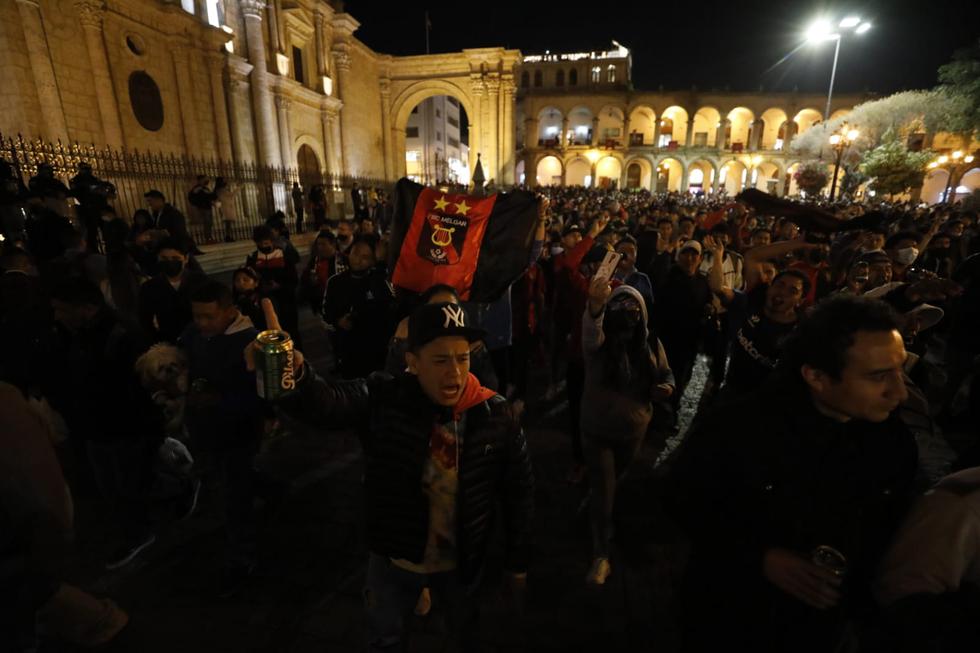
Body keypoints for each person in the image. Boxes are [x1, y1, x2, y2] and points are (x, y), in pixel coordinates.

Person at [254, 300, 533, 652]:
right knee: (386, 638)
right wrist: (292, 371)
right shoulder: (386, 395)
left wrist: (517, 563)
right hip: (393, 558)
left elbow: (519, 493)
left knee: (464, 634)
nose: (455, 373)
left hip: (461, 563)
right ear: (413, 363)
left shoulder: (495, 414)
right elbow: (328, 403)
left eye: (462, 359)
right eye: (440, 360)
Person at [671, 295, 918, 653]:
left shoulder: (893, 445)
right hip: (731, 617)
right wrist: (759, 557)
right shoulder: (738, 430)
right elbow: (684, 502)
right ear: (816, 376)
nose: (899, 392)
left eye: (900, 370)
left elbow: (886, 531)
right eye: (878, 376)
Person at [46, 277, 161, 570]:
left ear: (85, 308)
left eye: (61, 309)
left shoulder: (121, 335)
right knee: (112, 485)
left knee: (127, 485)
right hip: (97, 427)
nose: (57, 316)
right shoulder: (76, 333)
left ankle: (140, 532)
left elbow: (140, 388)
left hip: (122, 428)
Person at [581, 280, 673, 585]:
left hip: (633, 430)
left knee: (611, 482)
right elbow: (592, 327)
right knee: (606, 489)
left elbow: (666, 372)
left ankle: (595, 508)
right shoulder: (598, 344)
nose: (626, 313)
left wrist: (667, 387)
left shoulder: (650, 344)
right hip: (597, 429)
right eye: (619, 305)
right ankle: (600, 554)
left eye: (633, 308)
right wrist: (595, 305)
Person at [179, 280, 265, 596]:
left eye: (208, 317)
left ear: (230, 312)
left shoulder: (249, 342)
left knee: (235, 496)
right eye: (196, 316)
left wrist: (219, 401)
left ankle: (243, 557)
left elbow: (260, 395)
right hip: (204, 428)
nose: (201, 324)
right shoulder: (194, 334)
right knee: (228, 481)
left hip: (237, 432)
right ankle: (265, 487)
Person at [322, 236, 394, 378]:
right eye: (355, 253)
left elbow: (387, 304)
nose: (357, 259)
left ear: (374, 260)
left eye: (365, 257)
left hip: (376, 351)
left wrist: (380, 266)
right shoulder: (335, 282)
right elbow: (326, 311)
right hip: (347, 350)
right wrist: (338, 321)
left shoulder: (379, 281)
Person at [138, 238, 207, 344]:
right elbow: (145, 322)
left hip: (199, 341)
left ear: (186, 258)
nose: (170, 262)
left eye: (175, 258)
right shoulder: (149, 287)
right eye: (164, 258)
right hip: (167, 343)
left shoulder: (201, 282)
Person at [245, 225, 301, 348]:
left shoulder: (284, 256)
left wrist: (279, 286)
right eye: (260, 243)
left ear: (272, 241)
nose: (264, 246)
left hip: (285, 301)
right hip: (264, 303)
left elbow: (293, 279)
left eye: (266, 242)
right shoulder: (253, 258)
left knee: (290, 332)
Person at [300, 230, 347, 317]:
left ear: (333, 244)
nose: (320, 247)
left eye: (323, 244)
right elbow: (304, 279)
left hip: (339, 302)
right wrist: (310, 281)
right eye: (318, 244)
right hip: (321, 302)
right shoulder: (314, 261)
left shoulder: (343, 260)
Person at [145, 189, 197, 255]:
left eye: (150, 201)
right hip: (164, 247)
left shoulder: (173, 213)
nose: (149, 204)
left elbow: (179, 233)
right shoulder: (156, 214)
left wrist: (163, 234)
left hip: (176, 248)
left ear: (159, 200)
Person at [187, 175, 216, 244]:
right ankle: (208, 238)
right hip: (203, 208)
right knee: (207, 223)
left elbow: (209, 196)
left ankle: (210, 237)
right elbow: (195, 196)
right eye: (205, 179)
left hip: (208, 207)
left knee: (210, 223)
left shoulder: (205, 188)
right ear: (200, 180)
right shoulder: (198, 188)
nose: (207, 180)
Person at [214, 177, 236, 243]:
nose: (226, 182)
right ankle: (227, 236)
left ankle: (228, 236)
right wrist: (238, 188)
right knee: (228, 223)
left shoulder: (220, 189)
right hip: (225, 207)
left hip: (226, 207)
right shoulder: (220, 190)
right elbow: (230, 195)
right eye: (224, 181)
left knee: (228, 223)